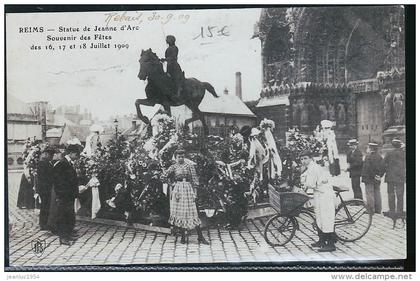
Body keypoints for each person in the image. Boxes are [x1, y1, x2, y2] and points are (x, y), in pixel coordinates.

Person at [162, 149, 209, 245]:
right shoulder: (173, 166)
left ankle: (200, 237)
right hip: (178, 191)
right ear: (176, 157)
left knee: (192, 212)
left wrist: (195, 192)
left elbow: (195, 179)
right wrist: (172, 183)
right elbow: (163, 176)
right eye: (179, 157)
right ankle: (183, 237)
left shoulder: (189, 166)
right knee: (181, 213)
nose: (181, 158)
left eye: (182, 156)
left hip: (188, 189)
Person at [300, 150, 336, 252]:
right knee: (319, 218)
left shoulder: (313, 168)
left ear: (311, 158)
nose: (303, 161)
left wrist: (304, 184)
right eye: (302, 159)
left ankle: (331, 244)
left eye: (305, 158)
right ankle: (322, 240)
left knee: (326, 219)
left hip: (325, 195)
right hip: (319, 194)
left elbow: (310, 184)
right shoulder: (310, 167)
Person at [50, 144, 81, 245]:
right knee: (63, 216)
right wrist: (61, 194)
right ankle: (63, 237)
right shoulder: (62, 164)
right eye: (76, 155)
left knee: (69, 215)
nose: (77, 157)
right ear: (71, 153)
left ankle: (68, 233)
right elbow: (58, 181)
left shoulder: (67, 163)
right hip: (64, 195)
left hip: (68, 195)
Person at [34, 147, 55, 230]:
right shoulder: (42, 163)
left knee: (46, 205)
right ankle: (43, 223)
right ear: (46, 154)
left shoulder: (46, 162)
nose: (51, 156)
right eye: (50, 155)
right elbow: (44, 177)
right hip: (45, 188)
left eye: (52, 155)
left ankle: (44, 222)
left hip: (46, 187)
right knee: (45, 206)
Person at [361, 142, 385, 214]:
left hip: (369, 178)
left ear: (371, 148)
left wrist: (373, 175)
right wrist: (379, 175)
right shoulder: (380, 157)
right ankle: (378, 209)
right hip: (377, 178)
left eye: (368, 147)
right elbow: (384, 167)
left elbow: (368, 168)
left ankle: (371, 210)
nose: (367, 149)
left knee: (369, 194)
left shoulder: (368, 157)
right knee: (377, 193)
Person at [384, 139, 406, 214]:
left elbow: (383, 164)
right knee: (400, 195)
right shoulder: (403, 153)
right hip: (400, 177)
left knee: (391, 194)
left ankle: (392, 210)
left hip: (390, 177)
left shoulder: (389, 153)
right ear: (400, 145)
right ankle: (400, 211)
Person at [160, 35, 184, 100]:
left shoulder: (174, 48)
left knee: (175, 79)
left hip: (174, 66)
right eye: (166, 40)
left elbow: (173, 57)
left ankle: (178, 93)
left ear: (171, 40)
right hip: (169, 66)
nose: (166, 41)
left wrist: (165, 59)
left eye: (168, 39)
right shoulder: (168, 48)